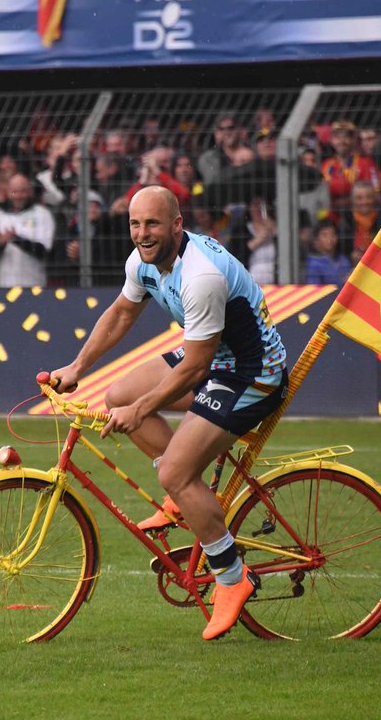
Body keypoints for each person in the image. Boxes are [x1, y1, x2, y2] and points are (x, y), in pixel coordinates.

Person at [50, 186, 288, 641]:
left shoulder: (201, 276)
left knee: (175, 469)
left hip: (252, 374)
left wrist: (143, 410)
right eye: (136, 224)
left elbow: (196, 366)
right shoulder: (142, 261)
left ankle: (233, 578)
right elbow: (122, 312)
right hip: (215, 358)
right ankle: (186, 493)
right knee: (117, 396)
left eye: (153, 223)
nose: (143, 233)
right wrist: (77, 368)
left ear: (177, 225)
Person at [0, 172, 56, 287]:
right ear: (7, 192)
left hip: (34, 285)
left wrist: (16, 239)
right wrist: (1, 245)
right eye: (14, 191)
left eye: (22, 191)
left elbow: (44, 252)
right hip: (3, 285)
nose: (18, 196)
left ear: (30, 192)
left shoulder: (42, 214)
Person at [305, 219, 351, 284]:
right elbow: (314, 288)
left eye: (333, 234)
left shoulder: (343, 260)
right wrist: (342, 282)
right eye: (324, 235)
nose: (329, 239)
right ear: (316, 239)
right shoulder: (313, 263)